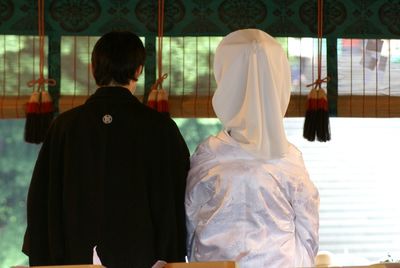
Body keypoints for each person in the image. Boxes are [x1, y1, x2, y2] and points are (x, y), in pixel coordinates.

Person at [22, 31, 190, 268]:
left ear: (93, 68)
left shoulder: (65, 126)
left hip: (74, 259)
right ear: (139, 70)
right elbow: (179, 198)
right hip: (146, 259)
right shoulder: (160, 128)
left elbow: (42, 201)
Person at [185, 29, 320, 268]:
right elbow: (308, 233)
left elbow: (189, 225)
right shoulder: (290, 159)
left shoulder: (208, 154)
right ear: (279, 82)